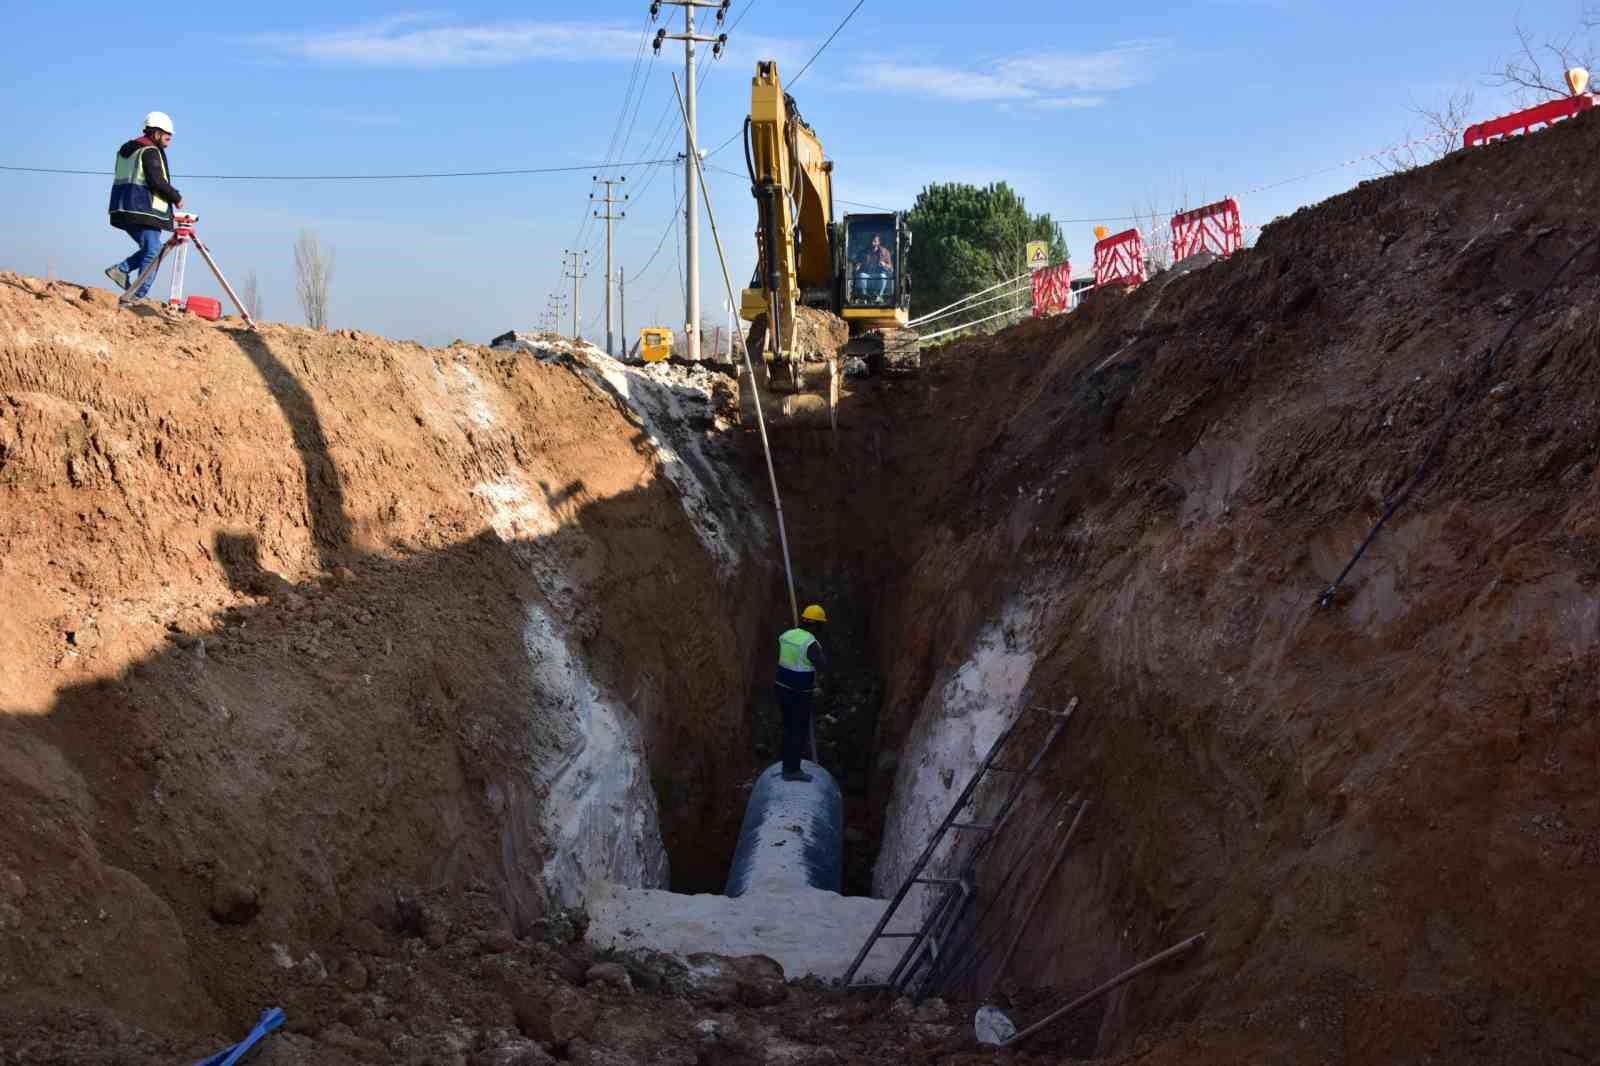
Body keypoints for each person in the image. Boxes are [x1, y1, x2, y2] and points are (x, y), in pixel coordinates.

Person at [106, 111, 182, 301]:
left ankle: (121, 270)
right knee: (154, 250)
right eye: (167, 133)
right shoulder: (149, 151)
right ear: (155, 132)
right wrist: (176, 197)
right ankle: (137, 294)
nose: (170, 137)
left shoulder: (128, 151)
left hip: (123, 207)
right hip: (144, 208)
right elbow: (157, 181)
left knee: (151, 248)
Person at [774, 604, 827, 782]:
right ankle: (791, 770)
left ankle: (787, 762)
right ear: (816, 625)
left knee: (788, 728)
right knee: (797, 730)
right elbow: (822, 665)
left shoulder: (787, 635)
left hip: (781, 687)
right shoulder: (810, 643)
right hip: (799, 692)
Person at [853, 233, 894, 302]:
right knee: (861, 275)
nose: (872, 243)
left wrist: (884, 264)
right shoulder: (863, 252)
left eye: (875, 241)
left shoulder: (885, 252)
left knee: (883, 276)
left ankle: (879, 296)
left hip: (878, 275)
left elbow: (891, 269)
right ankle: (864, 297)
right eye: (871, 241)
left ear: (879, 242)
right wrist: (857, 266)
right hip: (867, 274)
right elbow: (858, 263)